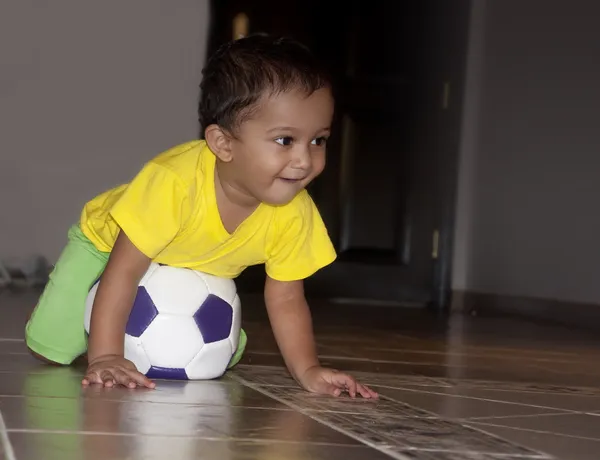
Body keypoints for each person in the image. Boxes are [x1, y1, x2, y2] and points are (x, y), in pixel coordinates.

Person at [25, 34, 378, 399]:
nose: (305, 160)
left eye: (318, 140)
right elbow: (124, 271)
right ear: (223, 144)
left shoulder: (295, 210)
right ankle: (96, 332)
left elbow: (286, 299)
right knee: (50, 347)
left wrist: (309, 370)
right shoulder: (173, 183)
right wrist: (106, 356)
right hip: (107, 245)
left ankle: (200, 336)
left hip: (200, 264)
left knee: (211, 356)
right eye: (286, 141)